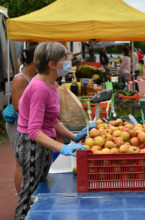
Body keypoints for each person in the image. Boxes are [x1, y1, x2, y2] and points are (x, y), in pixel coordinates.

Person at [14, 42, 87, 219]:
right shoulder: (39, 88)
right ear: (52, 64)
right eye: (64, 59)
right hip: (32, 145)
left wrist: (73, 136)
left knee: (41, 189)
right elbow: (34, 131)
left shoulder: (51, 84)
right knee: (29, 195)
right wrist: (61, 148)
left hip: (43, 143)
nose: (68, 62)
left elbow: (52, 120)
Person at [5, 46, 37, 194]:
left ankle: (29, 195)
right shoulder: (20, 79)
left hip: (28, 124)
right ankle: (21, 199)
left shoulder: (34, 77)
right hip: (17, 124)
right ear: (35, 59)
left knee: (29, 161)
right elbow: (18, 106)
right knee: (21, 162)